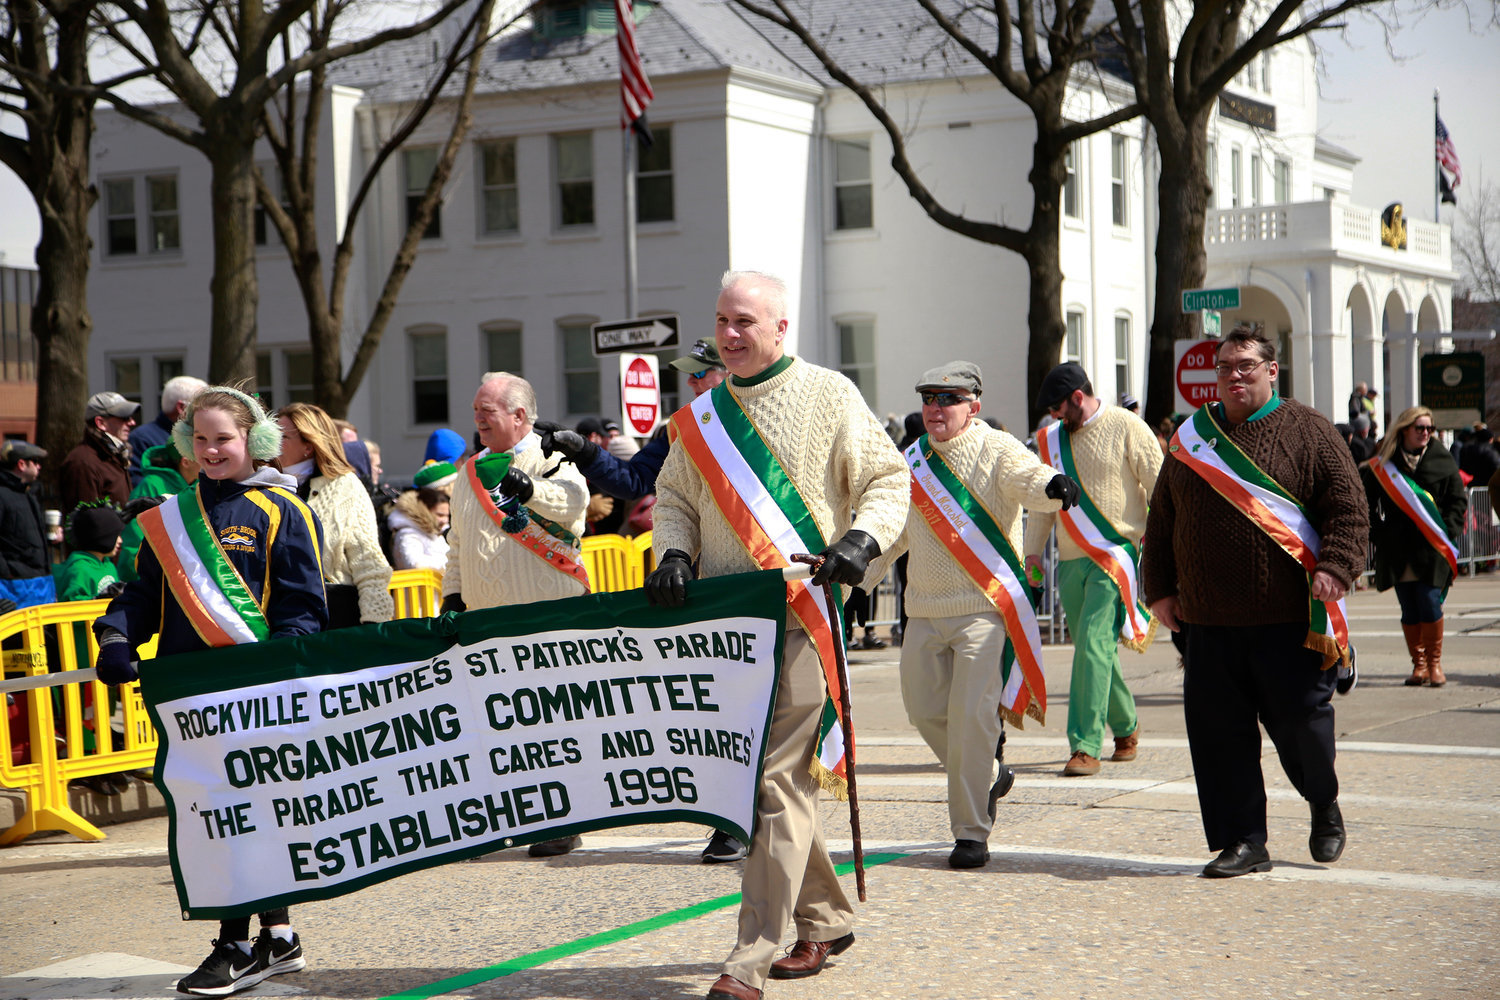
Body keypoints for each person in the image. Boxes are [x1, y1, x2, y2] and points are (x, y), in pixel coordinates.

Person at [645, 270, 909, 1000]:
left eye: (746, 323)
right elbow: (674, 496)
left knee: (769, 781)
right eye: (723, 320)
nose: (730, 335)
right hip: (727, 632)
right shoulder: (699, 419)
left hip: (800, 616)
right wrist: (672, 550)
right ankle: (823, 918)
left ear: (781, 328)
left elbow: (889, 482)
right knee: (773, 783)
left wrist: (861, 541)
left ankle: (749, 960)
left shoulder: (829, 395)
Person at [93, 385, 327, 996]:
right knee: (215, 815)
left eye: (224, 438)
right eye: (200, 438)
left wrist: (279, 672)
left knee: (243, 815)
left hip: (257, 693)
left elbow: (303, 610)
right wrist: (116, 635)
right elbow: (144, 596)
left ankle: (235, 945)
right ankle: (277, 936)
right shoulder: (172, 516)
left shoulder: (284, 510)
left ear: (255, 441)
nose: (211, 449)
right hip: (189, 696)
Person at [1141, 325, 1367, 879]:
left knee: (1301, 727)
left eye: (1246, 365)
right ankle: (1243, 841)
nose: (1234, 375)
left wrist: (1336, 567)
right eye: (1225, 367)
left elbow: (1349, 506)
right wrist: (1161, 590)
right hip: (1208, 621)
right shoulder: (1192, 437)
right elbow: (1163, 517)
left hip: (1289, 618)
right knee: (1219, 737)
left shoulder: (1309, 430)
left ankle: (1322, 801)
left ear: (1272, 370)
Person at [534, 339, 744, 863]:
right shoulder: (681, 425)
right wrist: (584, 452)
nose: (693, 384)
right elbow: (633, 482)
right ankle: (726, 816)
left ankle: (743, 816)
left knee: (749, 699)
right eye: (690, 376)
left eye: (702, 375)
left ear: (729, 371)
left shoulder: (755, 418)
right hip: (696, 572)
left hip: (755, 568)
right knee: (707, 701)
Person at [878, 362, 1074, 869]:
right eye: (928, 398)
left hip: (982, 611)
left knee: (970, 718)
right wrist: (855, 571)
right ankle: (989, 772)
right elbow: (894, 529)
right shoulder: (913, 459)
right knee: (922, 709)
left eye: (948, 398)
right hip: (923, 609)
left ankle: (970, 832)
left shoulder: (996, 447)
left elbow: (1026, 477)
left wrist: (1052, 485)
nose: (935, 408)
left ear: (974, 405)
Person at [441, 372, 589, 857]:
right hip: (489, 617)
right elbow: (458, 542)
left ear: (519, 415)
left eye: (488, 410)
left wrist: (529, 491)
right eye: (477, 410)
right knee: (497, 719)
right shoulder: (468, 472)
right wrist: (453, 594)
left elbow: (574, 506)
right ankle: (504, 815)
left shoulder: (551, 455)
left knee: (548, 716)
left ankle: (561, 816)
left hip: (547, 613)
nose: (478, 418)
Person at [1025, 362, 1161, 777]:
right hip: (1069, 561)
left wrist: (1164, 549)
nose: (1056, 418)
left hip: (1114, 556)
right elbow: (1043, 503)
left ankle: (1085, 745)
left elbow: (1162, 486)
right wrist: (1032, 555)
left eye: (1060, 409)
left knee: (1092, 646)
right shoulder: (1051, 441)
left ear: (1078, 398)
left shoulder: (1127, 426)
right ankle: (1126, 727)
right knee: (1096, 649)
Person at [1360, 406, 1466, 687]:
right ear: (1404, 429)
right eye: (1420, 428)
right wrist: (1378, 534)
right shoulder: (1384, 466)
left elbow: (1458, 501)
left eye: (1430, 429)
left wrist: (1449, 529)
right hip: (1397, 549)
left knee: (1430, 602)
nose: (1426, 433)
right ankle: (1418, 666)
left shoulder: (1442, 461)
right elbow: (1366, 504)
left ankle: (1434, 665)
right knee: (1409, 608)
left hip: (1433, 546)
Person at [276, 403, 393, 629]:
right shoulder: (265, 486)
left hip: (336, 618)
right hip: (281, 620)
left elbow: (370, 564)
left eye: (283, 436)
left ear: (308, 445)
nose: (273, 442)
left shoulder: (346, 487)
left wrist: (374, 623)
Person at [117, 440, 200, 583]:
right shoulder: (151, 486)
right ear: (185, 462)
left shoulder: (198, 486)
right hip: (153, 582)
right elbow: (135, 541)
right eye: (200, 455)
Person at [59, 391, 140, 516]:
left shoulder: (116, 456)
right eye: (124, 417)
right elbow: (85, 520)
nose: (132, 422)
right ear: (101, 423)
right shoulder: (82, 462)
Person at [0, 440, 56, 608]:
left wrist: (49, 539)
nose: (39, 467)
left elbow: (20, 535)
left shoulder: (28, 493)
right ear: (21, 464)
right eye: (36, 461)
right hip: (15, 586)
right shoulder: (3, 494)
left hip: (40, 582)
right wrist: (7, 573)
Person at [128, 376, 207, 486]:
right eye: (201, 406)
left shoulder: (200, 434)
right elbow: (136, 482)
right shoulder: (141, 438)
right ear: (182, 407)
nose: (207, 412)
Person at [56, 504, 126, 601]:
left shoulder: (108, 565)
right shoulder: (79, 569)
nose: (120, 540)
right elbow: (70, 603)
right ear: (101, 538)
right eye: (115, 535)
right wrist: (97, 598)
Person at [388, 486, 450, 571]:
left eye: (447, 515)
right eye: (440, 515)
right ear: (425, 510)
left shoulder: (435, 533)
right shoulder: (408, 534)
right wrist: (448, 564)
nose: (445, 520)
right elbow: (415, 564)